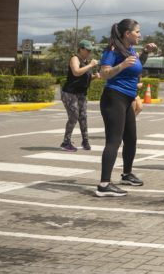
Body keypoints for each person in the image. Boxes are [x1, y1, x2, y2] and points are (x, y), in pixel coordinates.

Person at [95, 19, 157, 197]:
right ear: (127, 34)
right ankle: (104, 184)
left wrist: (145, 52)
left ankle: (127, 174)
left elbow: (136, 67)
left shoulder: (129, 50)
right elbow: (103, 74)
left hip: (127, 99)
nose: (140, 35)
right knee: (114, 141)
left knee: (131, 139)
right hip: (113, 98)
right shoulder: (112, 50)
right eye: (137, 32)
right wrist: (121, 65)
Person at [59, 39, 99, 151]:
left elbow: (84, 77)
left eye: (90, 50)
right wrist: (91, 65)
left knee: (83, 117)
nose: (89, 52)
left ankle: (85, 141)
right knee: (74, 116)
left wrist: (95, 76)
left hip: (81, 93)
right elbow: (76, 72)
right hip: (70, 93)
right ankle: (66, 142)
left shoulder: (86, 61)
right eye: (87, 50)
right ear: (80, 49)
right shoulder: (75, 58)